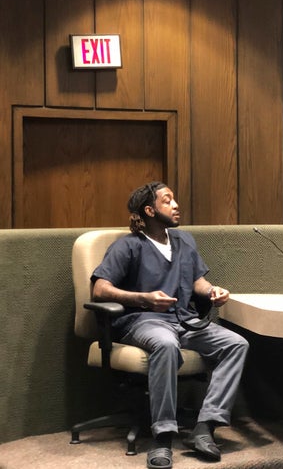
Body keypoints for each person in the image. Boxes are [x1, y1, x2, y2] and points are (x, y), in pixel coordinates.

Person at [91, 181, 249, 469]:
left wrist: (213, 291)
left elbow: (197, 280)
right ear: (150, 210)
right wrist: (143, 299)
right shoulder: (128, 246)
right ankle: (162, 437)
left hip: (184, 321)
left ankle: (205, 428)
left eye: (175, 200)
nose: (176, 205)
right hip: (143, 320)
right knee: (165, 343)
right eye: (168, 201)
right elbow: (100, 290)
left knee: (235, 344)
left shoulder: (184, 242)